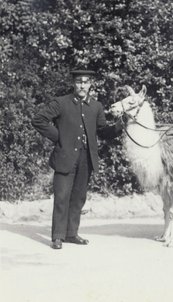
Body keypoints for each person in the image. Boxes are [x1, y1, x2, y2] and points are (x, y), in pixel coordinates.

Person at [32, 69, 123, 249]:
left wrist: (119, 126)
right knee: (61, 196)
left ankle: (71, 233)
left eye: (86, 82)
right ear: (74, 83)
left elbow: (103, 131)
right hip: (65, 156)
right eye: (79, 81)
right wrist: (59, 137)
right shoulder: (61, 102)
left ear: (90, 84)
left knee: (79, 197)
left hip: (86, 159)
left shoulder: (96, 106)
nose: (82, 85)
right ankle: (58, 236)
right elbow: (39, 119)